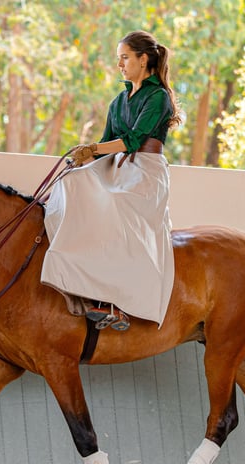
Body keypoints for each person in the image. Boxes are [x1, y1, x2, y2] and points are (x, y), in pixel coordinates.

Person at [41, 30, 182, 332]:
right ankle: (80, 282)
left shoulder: (158, 98)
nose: (119, 64)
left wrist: (92, 149)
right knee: (71, 185)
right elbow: (107, 142)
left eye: (125, 58)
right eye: (118, 58)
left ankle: (117, 303)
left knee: (114, 204)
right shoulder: (118, 101)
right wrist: (82, 158)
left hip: (146, 173)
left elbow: (131, 141)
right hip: (118, 168)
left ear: (144, 60)